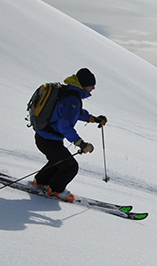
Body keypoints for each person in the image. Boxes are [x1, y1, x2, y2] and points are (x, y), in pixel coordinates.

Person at [34, 68, 107, 201]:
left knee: (59, 161)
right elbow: (64, 125)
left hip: (45, 135)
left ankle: (40, 182)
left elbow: (73, 112)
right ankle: (55, 190)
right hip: (49, 139)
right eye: (92, 85)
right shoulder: (72, 98)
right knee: (70, 166)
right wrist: (81, 143)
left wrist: (92, 118)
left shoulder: (69, 92)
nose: (93, 88)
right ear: (84, 84)